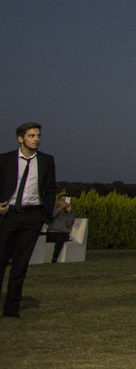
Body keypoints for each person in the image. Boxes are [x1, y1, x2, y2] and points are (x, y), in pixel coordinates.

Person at [0, 123, 57, 317]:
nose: (36, 139)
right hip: (7, 215)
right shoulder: (5, 160)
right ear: (20, 138)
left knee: (20, 265)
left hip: (32, 217)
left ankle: (11, 309)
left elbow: (50, 189)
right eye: (31, 136)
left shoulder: (46, 161)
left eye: (38, 135)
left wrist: (45, 216)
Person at [46, 195, 76, 263]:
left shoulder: (72, 212)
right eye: (62, 200)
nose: (64, 202)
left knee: (60, 237)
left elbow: (69, 224)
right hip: (52, 232)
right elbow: (51, 217)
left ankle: (55, 257)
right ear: (58, 202)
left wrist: (69, 213)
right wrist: (60, 209)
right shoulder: (54, 209)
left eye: (66, 200)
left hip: (63, 233)